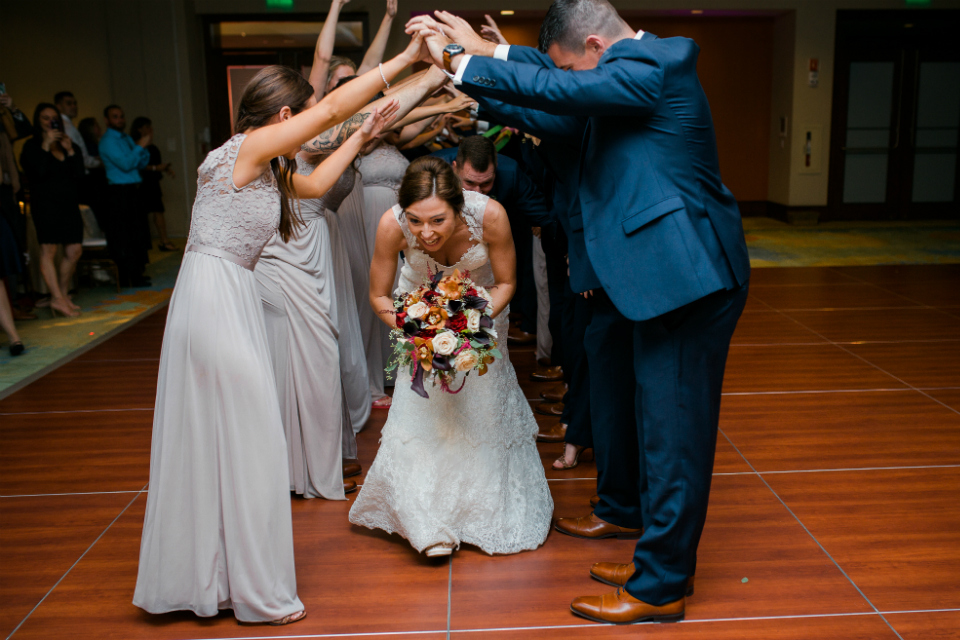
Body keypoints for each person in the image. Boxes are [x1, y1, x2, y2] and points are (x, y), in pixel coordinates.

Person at [411, 0, 751, 623]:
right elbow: (550, 103)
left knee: (674, 439)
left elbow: (555, 87)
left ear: (596, 49)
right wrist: (475, 73)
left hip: (688, 279)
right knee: (656, 431)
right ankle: (660, 557)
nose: (571, 80)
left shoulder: (661, 60)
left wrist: (467, 59)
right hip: (661, 280)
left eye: (572, 68)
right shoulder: (615, 88)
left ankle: (660, 587)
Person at [133, 32, 420, 624]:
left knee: (228, 436)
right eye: (305, 114)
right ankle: (248, 587)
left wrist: (363, 138)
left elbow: (315, 187)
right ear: (286, 117)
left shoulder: (259, 163)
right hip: (215, 297)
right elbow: (336, 108)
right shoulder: (251, 146)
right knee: (249, 434)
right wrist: (407, 61)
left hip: (222, 292)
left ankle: (215, 578)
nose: (314, 123)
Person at [254, 65, 453, 499]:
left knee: (323, 352)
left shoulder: (312, 140)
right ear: (287, 115)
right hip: (295, 251)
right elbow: (364, 115)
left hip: (322, 245)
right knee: (308, 355)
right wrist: (427, 70)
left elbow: (385, 117)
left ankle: (318, 454)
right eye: (313, 107)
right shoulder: (297, 144)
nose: (320, 114)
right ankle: (300, 461)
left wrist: (434, 83)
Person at [349, 156, 553, 557]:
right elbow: (378, 295)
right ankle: (424, 520)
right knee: (423, 413)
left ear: (459, 207)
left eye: (438, 221)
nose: (425, 233)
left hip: (484, 311)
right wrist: (419, 329)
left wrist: (465, 325)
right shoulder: (392, 225)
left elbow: (508, 282)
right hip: (419, 317)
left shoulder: (491, 216)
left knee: (479, 408)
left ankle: (481, 510)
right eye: (416, 220)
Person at [432, 136, 553, 355]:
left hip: (487, 264)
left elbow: (544, 216)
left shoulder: (511, 172)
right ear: (455, 168)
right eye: (469, 183)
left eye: (486, 183)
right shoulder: (432, 172)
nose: (478, 192)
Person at [19, 103, 85, 317]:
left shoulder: (67, 143)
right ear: (38, 121)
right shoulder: (32, 146)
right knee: (49, 251)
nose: (50, 122)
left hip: (68, 205)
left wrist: (71, 151)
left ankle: (62, 295)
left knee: (74, 250)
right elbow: (37, 173)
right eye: (45, 118)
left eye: (53, 118)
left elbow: (80, 176)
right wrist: (46, 146)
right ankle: (57, 298)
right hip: (45, 206)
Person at [98, 104, 151, 287]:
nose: (120, 119)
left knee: (138, 232)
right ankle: (129, 276)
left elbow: (141, 162)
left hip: (134, 190)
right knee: (125, 235)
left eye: (121, 116)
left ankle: (138, 272)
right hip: (119, 192)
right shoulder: (107, 141)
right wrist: (139, 147)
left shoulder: (126, 138)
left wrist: (142, 150)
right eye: (115, 116)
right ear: (107, 120)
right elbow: (126, 164)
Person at [131, 117, 177, 251]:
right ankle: (154, 242)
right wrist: (156, 168)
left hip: (153, 182)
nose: (150, 130)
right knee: (147, 213)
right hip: (143, 184)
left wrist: (166, 169)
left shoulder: (151, 147)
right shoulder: (135, 146)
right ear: (139, 129)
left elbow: (155, 163)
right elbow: (137, 164)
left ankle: (163, 241)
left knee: (158, 211)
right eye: (147, 127)